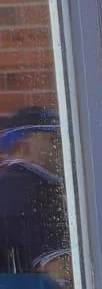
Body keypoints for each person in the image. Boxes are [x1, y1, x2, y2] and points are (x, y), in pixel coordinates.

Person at [0, 106, 69, 276]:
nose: (64, 148)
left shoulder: (9, 186)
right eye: (54, 140)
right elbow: (57, 270)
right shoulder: (34, 190)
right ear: (23, 148)